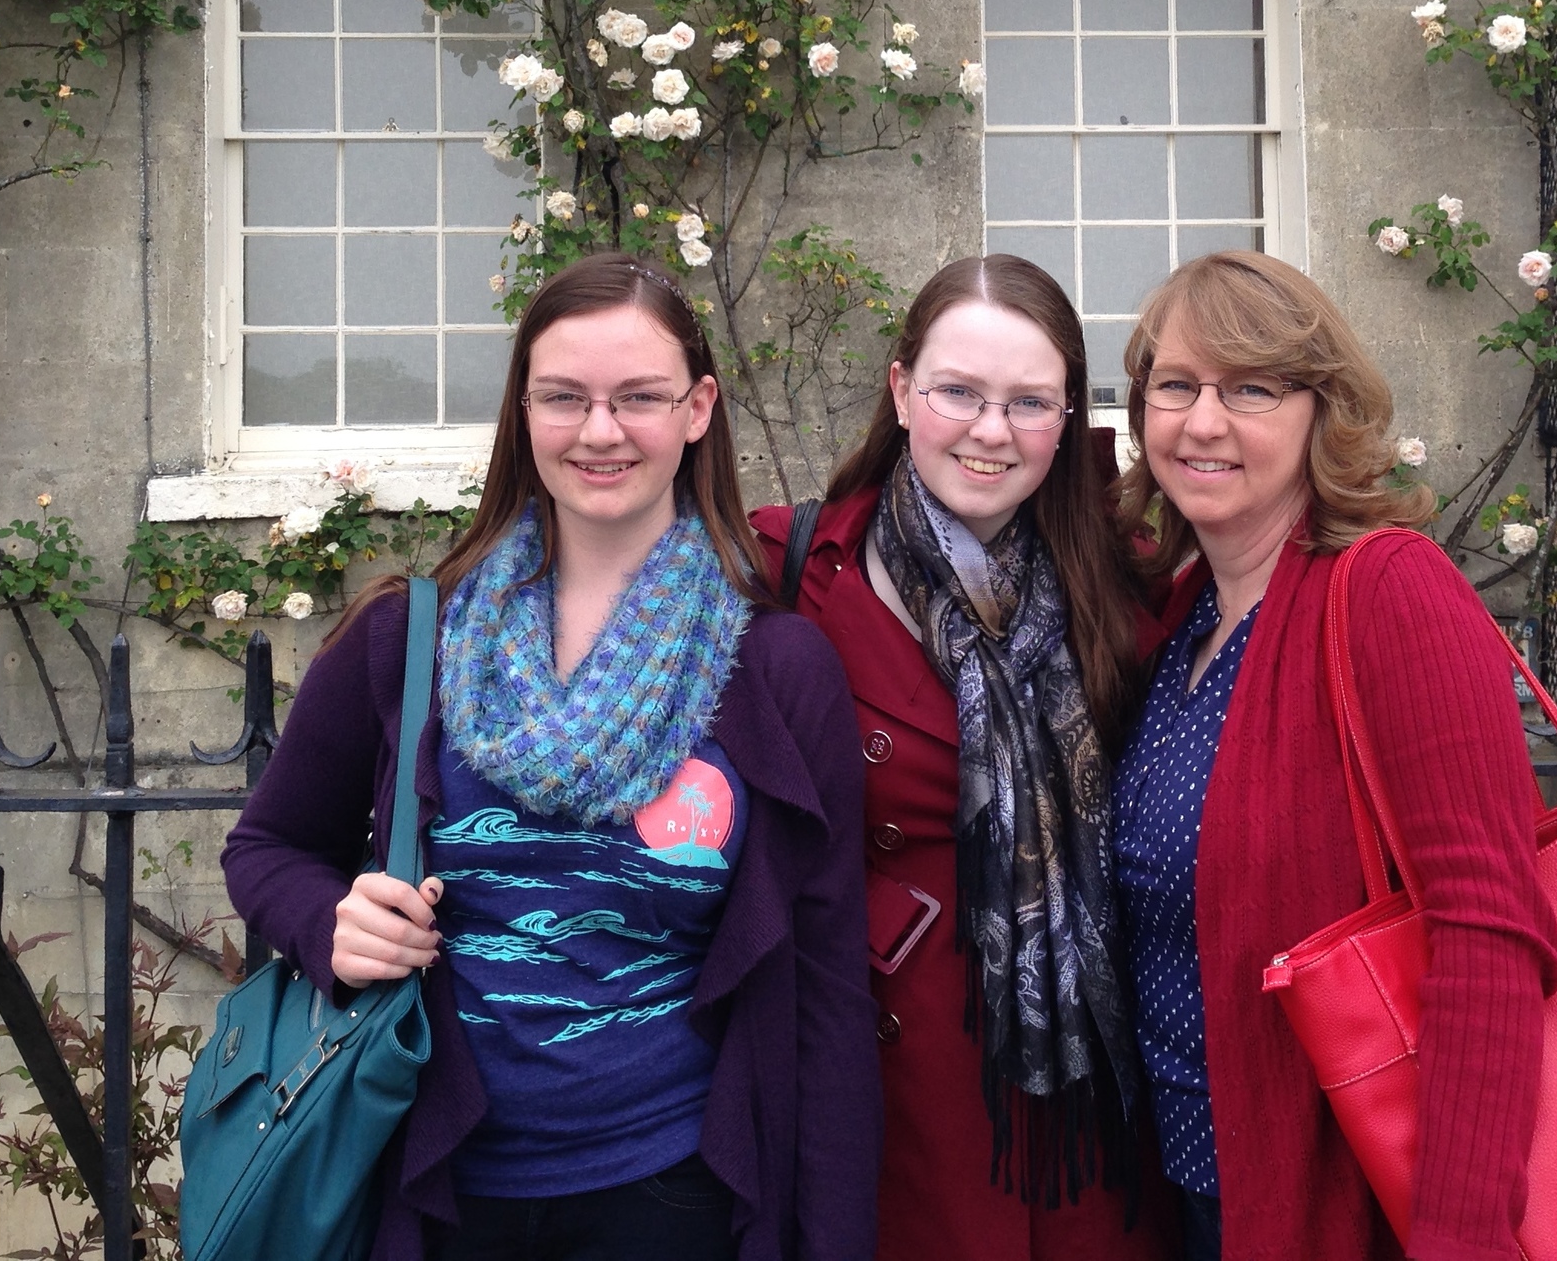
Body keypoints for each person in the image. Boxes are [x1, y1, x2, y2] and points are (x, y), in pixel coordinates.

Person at [223, 252, 877, 1261]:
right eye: (563, 397)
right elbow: (267, 848)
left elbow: (827, 996)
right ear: (524, 412)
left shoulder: (778, 668)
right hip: (436, 1184)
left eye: (638, 398)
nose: (600, 431)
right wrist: (331, 923)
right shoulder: (411, 640)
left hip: (674, 1193)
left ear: (697, 408)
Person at [1107, 251, 1557, 1261]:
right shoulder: (1181, 623)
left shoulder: (1390, 590)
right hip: (1193, 1190)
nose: (1203, 421)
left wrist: (1458, 1235)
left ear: (1322, 410)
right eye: (1174, 386)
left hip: (1352, 1206)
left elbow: (1488, 929)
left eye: (1251, 388)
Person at [754, 253, 1171, 1261]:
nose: (991, 432)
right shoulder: (781, 570)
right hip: (883, 1084)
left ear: (1068, 418)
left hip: (1087, 1099)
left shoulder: (1128, 586)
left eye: (1029, 402)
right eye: (958, 393)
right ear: (901, 391)